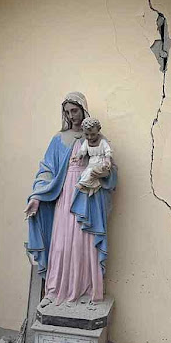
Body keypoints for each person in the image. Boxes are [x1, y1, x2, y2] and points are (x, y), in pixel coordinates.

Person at [25, 92, 117, 306]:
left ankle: (87, 288)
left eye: (74, 110)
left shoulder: (97, 139)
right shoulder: (59, 139)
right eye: (67, 112)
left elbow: (111, 170)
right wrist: (37, 196)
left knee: (83, 245)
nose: (71, 116)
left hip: (88, 196)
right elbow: (47, 169)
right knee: (61, 244)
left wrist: (102, 172)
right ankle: (55, 289)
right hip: (66, 193)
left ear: (83, 110)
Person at [72, 117, 113, 196]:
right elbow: (82, 151)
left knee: (91, 172)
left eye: (93, 134)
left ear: (98, 131)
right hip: (92, 162)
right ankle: (91, 189)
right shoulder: (86, 142)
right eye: (86, 134)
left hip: (101, 162)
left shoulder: (102, 142)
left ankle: (81, 184)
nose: (90, 137)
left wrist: (107, 160)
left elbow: (108, 151)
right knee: (86, 173)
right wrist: (77, 157)